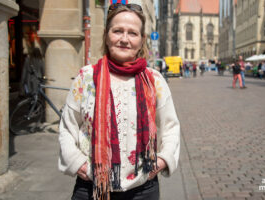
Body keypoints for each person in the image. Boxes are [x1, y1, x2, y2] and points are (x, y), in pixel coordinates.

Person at [58, 3, 180, 200]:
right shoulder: (86, 77)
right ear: (107, 35)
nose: (124, 39)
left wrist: (162, 160)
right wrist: (76, 163)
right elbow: (67, 126)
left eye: (132, 33)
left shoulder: (154, 80)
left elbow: (171, 127)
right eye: (118, 31)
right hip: (91, 188)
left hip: (143, 189)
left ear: (142, 40)